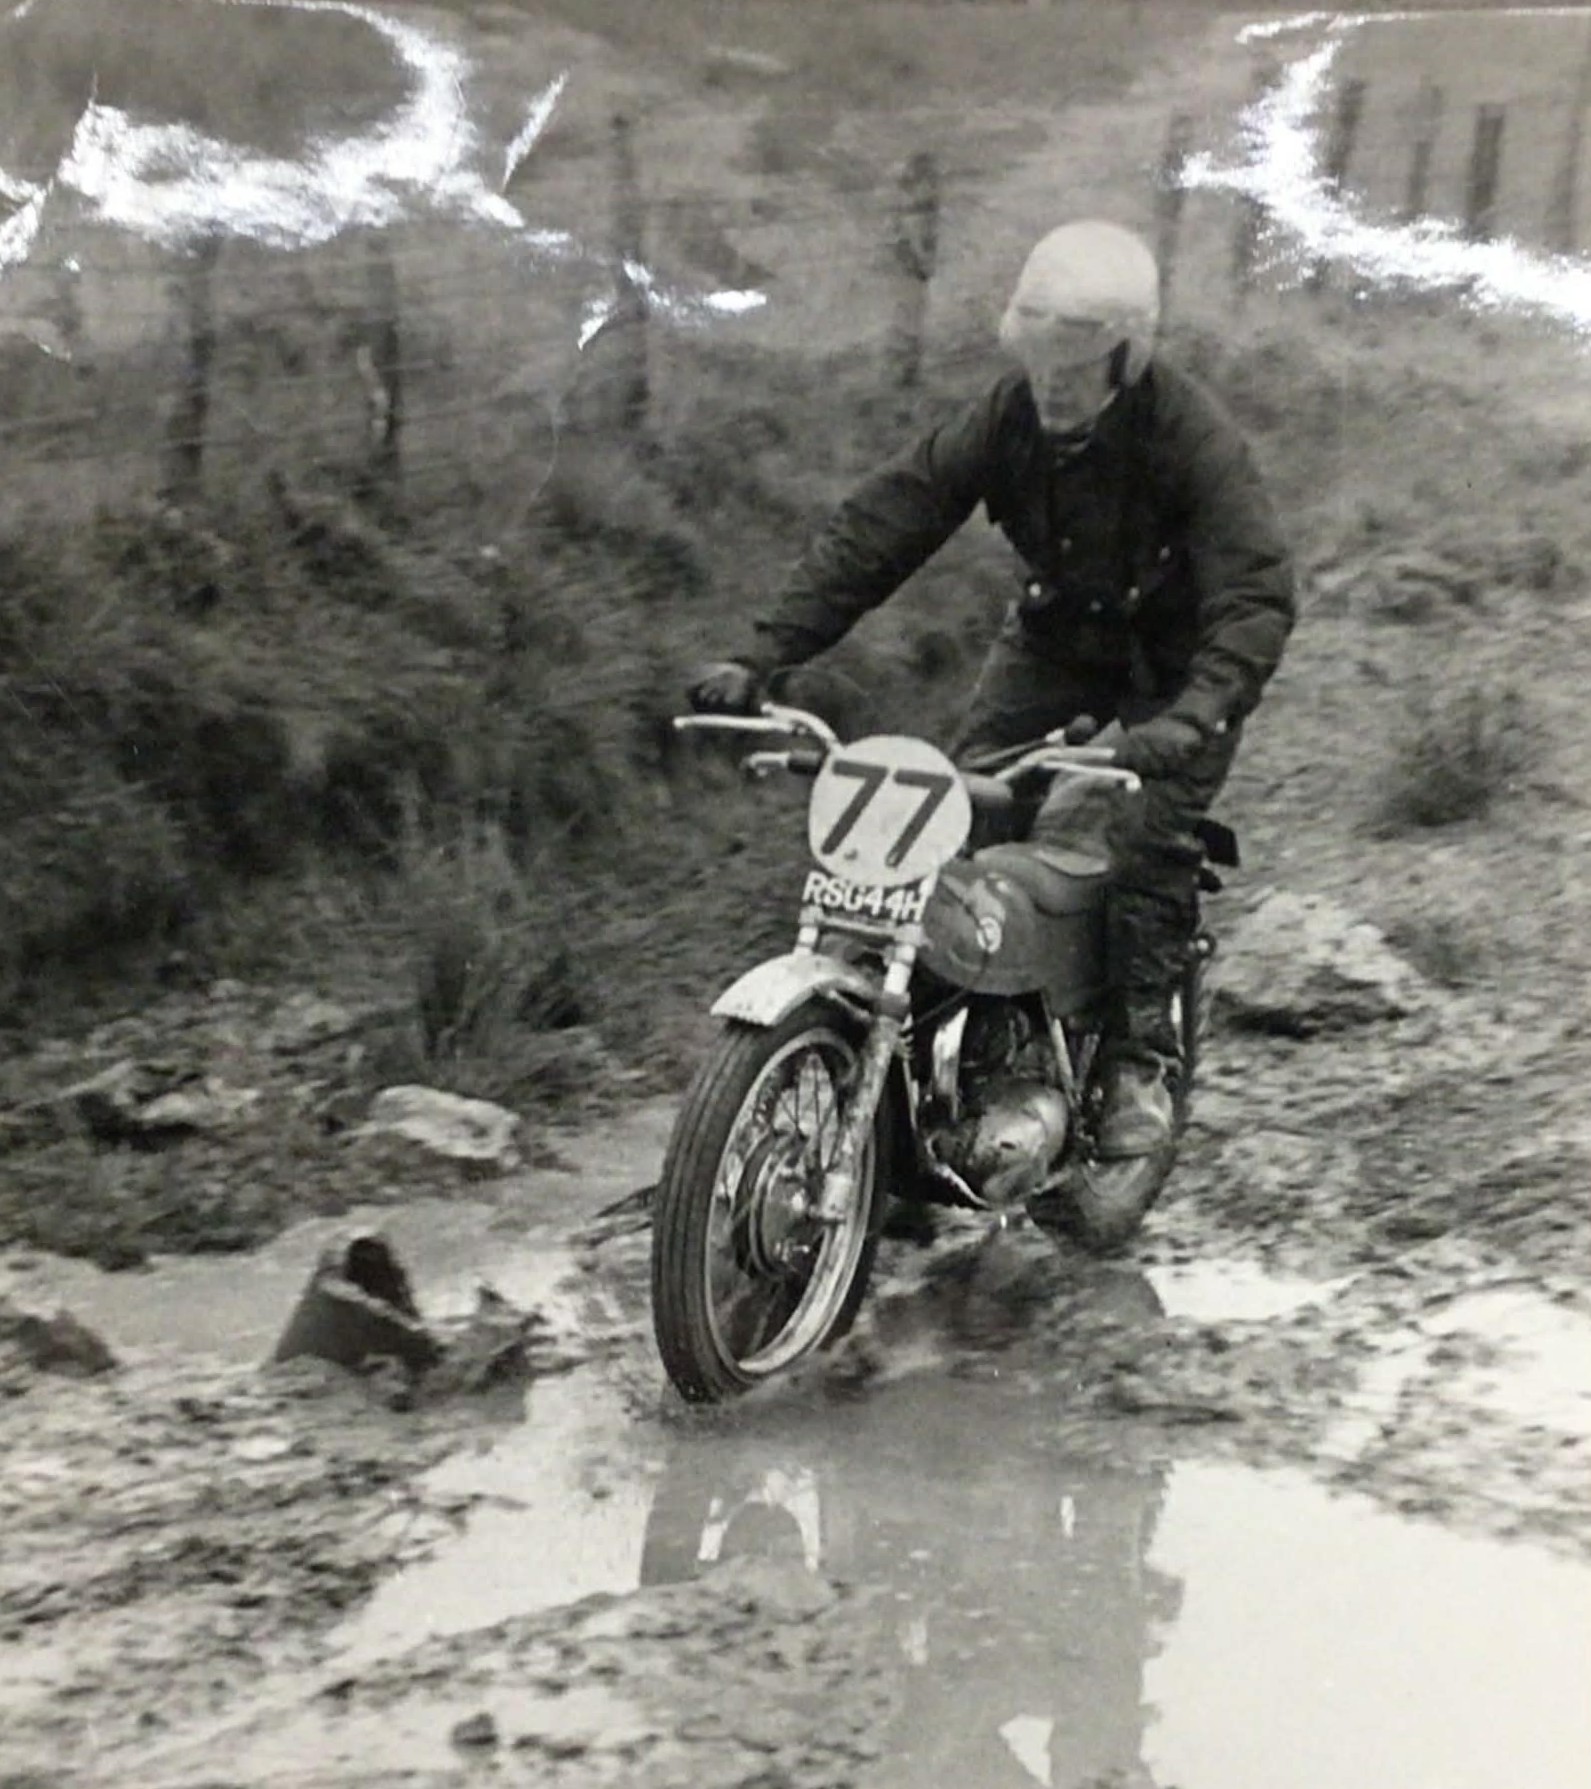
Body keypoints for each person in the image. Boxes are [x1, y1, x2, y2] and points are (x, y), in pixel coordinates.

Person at [690, 219, 1295, 1157]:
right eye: (1038, 362)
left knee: (1144, 834)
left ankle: (1138, 1056)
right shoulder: (1006, 417)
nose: (1050, 385)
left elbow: (1253, 595)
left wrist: (1195, 714)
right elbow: (885, 522)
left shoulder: (1190, 437)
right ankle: (927, 1074)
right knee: (953, 816)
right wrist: (764, 654)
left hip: (1174, 673)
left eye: (1073, 368)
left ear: (1127, 359)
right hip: (1054, 643)